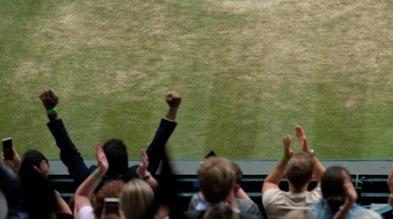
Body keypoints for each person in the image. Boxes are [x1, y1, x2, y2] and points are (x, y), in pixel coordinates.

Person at [38, 89, 182, 187]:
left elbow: (69, 153)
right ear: (127, 164)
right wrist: (173, 109)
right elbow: (157, 148)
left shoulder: (88, 179)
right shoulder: (138, 177)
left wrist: (51, 111)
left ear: (102, 161)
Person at [262, 125, 325, 219]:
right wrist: (309, 152)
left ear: (285, 175)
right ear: (311, 178)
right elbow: (326, 180)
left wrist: (285, 157)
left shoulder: (273, 201)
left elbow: (270, 182)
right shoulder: (319, 200)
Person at [188, 158, 261, 218]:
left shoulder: (195, 202)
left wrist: (210, 175)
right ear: (235, 189)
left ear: (202, 189)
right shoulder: (250, 209)